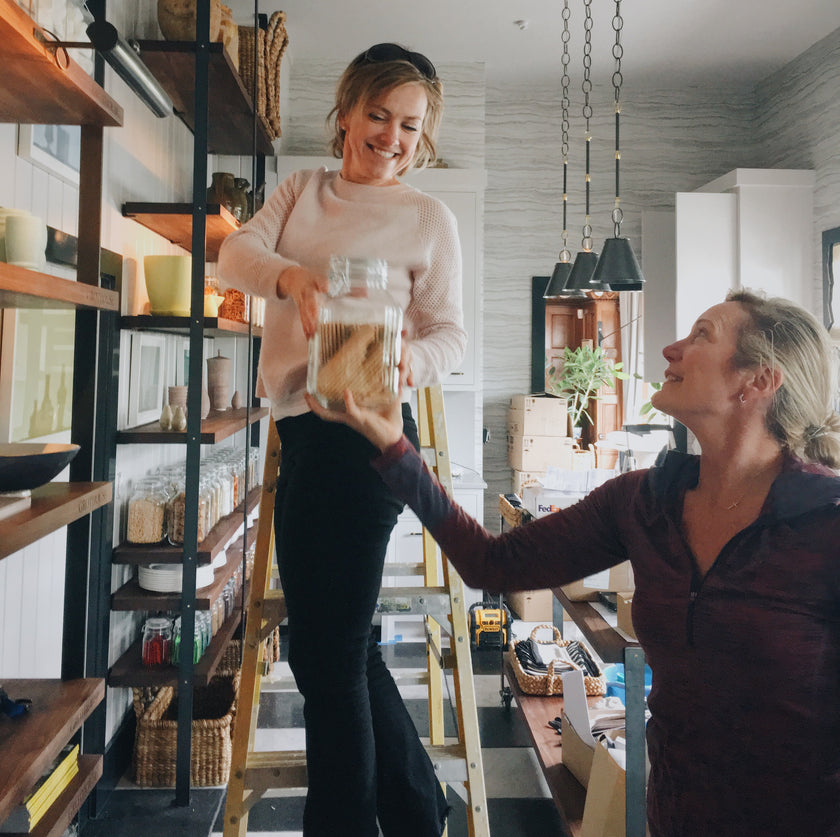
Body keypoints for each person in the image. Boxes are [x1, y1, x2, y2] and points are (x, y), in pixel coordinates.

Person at [308, 288, 840, 837]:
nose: (671, 349)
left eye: (702, 335)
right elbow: (493, 565)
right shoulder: (645, 502)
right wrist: (396, 447)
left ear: (757, 381)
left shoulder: (826, 522)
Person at [217, 43, 465, 837]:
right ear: (348, 111)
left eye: (409, 125)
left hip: (370, 440)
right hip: (300, 433)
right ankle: (419, 810)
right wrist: (291, 278)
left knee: (325, 654)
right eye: (379, 116)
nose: (391, 136)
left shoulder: (430, 217)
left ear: (423, 136)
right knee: (338, 649)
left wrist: (406, 360)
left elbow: (450, 335)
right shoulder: (302, 189)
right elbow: (234, 254)